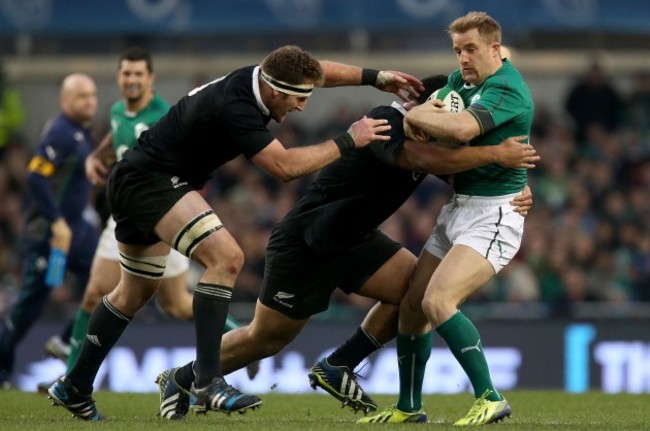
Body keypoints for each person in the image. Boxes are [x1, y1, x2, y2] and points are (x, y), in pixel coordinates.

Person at [46, 44, 423, 421]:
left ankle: (74, 385)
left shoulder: (263, 76)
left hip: (138, 178)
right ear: (275, 91)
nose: (302, 107)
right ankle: (207, 382)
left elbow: (315, 70)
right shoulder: (237, 107)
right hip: (153, 182)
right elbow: (284, 166)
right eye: (297, 99)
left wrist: (376, 78)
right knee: (226, 257)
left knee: (134, 292)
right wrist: (348, 140)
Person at [153, 74, 538, 420]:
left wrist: (513, 189)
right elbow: (417, 157)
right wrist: (493, 153)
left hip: (354, 240)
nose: (439, 129)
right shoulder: (385, 119)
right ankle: (183, 377)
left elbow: (460, 170)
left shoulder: (430, 137)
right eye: (435, 117)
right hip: (308, 241)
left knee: (414, 293)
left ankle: (340, 364)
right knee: (266, 338)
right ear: (421, 106)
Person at [38, 47, 257, 389]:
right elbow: (116, 133)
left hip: (160, 210)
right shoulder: (116, 111)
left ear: (151, 79)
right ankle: (72, 378)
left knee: (176, 303)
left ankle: (241, 339)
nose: (132, 80)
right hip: (126, 210)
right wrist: (96, 156)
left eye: (139, 74)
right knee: (96, 292)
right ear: (119, 77)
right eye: (127, 73)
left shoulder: (163, 115)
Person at [359, 11, 535, 425]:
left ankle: (491, 397)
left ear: (495, 49)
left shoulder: (507, 88)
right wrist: (428, 117)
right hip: (459, 207)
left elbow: (457, 130)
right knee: (413, 308)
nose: (462, 59)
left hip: (496, 214)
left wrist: (414, 114)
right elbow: (438, 126)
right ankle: (408, 406)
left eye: (471, 49)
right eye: (457, 51)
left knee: (439, 301)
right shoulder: (463, 81)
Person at [0, 74, 99, 388]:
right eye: (81, 96)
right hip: (49, 233)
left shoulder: (82, 134)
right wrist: (56, 221)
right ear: (65, 100)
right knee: (30, 305)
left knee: (106, 282)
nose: (90, 102)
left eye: (92, 95)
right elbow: (36, 178)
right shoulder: (60, 132)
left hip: (76, 230)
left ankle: (66, 341)